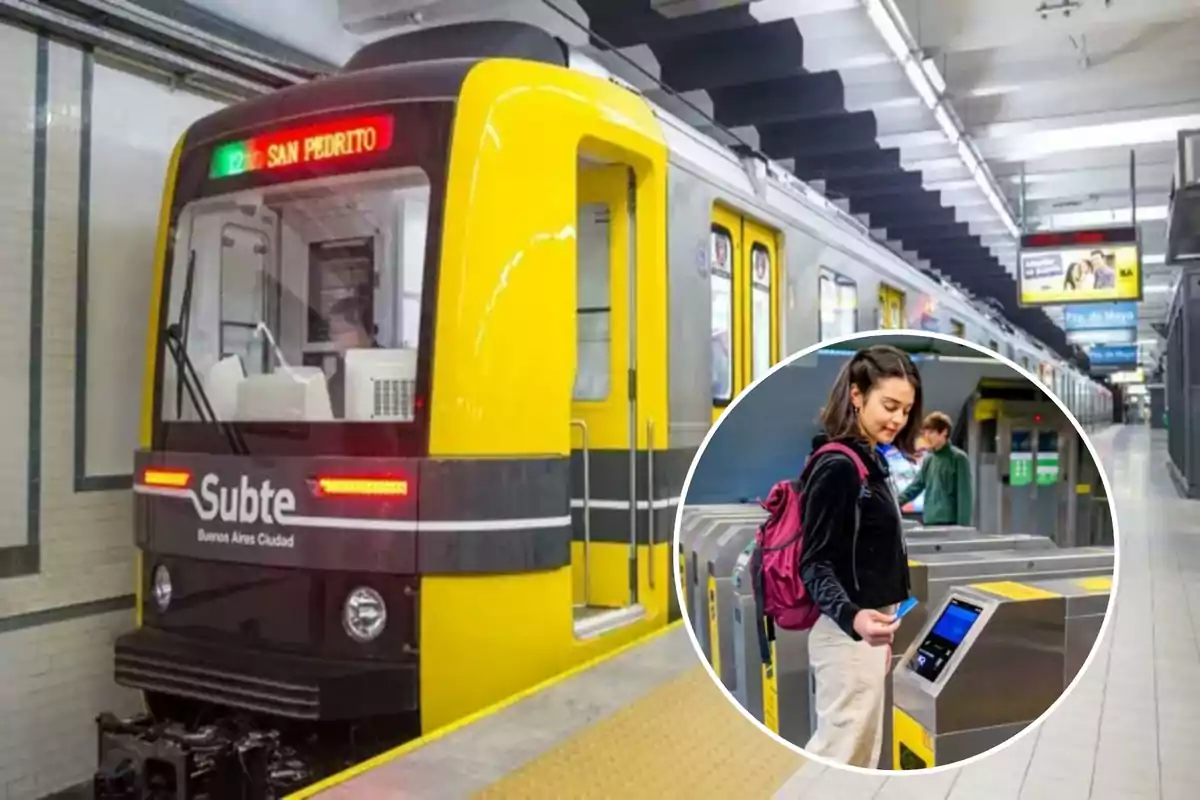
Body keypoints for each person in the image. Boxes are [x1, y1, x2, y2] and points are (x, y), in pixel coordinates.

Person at [798, 345, 919, 768]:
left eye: (905, 410)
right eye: (889, 405)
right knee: (840, 757)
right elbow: (813, 562)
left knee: (858, 757)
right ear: (856, 394)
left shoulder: (870, 460)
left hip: (865, 635)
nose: (898, 420)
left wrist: (874, 631)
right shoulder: (840, 466)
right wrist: (854, 618)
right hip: (845, 634)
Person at [896, 412, 973, 526]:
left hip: (950, 525)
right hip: (929, 522)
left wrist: (963, 529)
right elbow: (915, 487)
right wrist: (893, 503)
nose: (927, 437)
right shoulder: (929, 459)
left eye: (931, 432)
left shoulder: (958, 458)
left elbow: (964, 496)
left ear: (944, 432)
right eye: (925, 433)